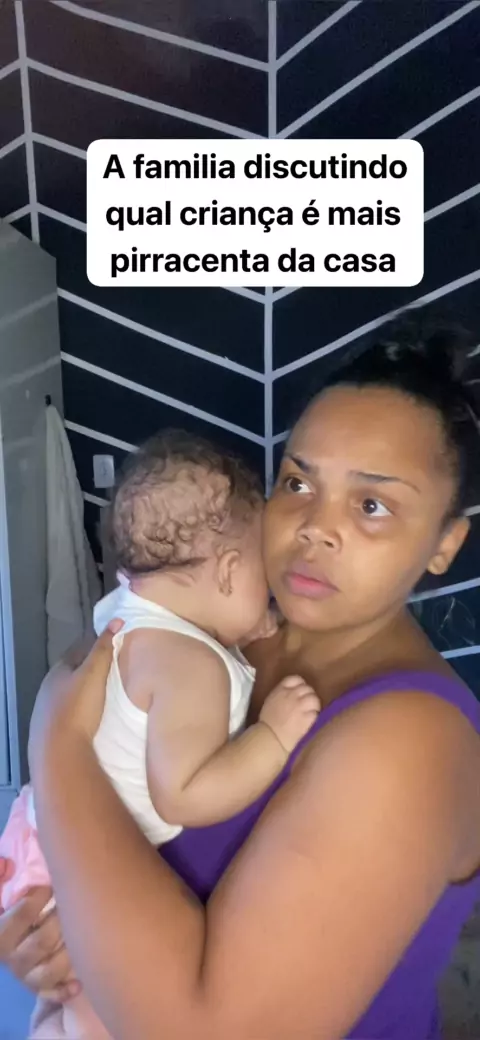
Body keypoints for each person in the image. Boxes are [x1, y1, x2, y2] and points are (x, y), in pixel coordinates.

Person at [3, 318, 480, 1040]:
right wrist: (53, 932)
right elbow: (110, 843)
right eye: (298, 481)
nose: (314, 527)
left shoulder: (411, 743)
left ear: (445, 542)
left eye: (371, 505)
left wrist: (54, 745)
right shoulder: (228, 634)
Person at [0, 430, 319, 1038]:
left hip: (38, 837)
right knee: (103, 1019)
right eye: (262, 576)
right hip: (74, 874)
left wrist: (240, 628)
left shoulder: (127, 611)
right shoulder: (190, 668)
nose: (268, 592)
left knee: (63, 1007)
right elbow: (183, 796)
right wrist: (273, 737)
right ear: (230, 571)